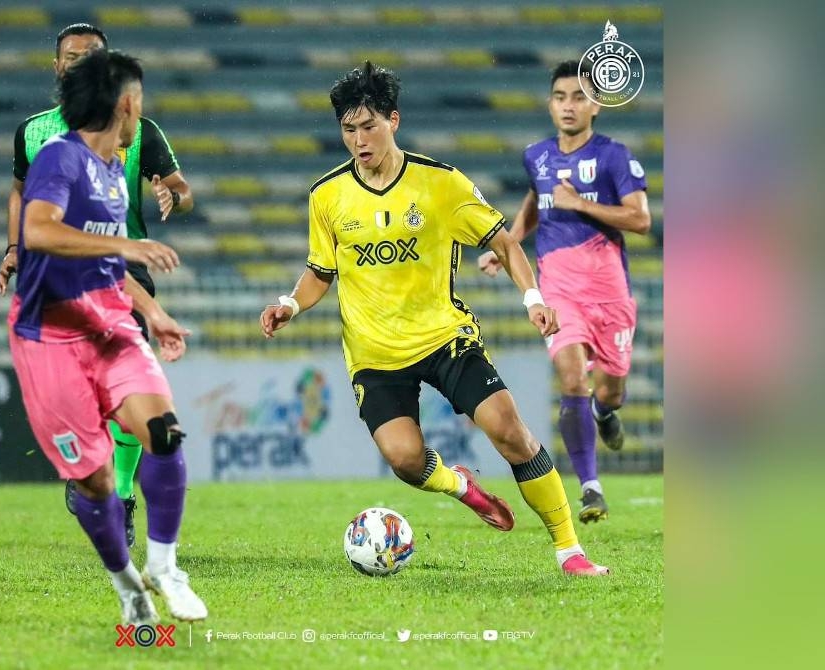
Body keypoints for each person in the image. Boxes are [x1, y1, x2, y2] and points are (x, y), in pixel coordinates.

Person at [260, 62, 609, 576]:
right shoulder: (327, 196)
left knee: (508, 430)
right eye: (349, 129)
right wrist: (289, 304)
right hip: (374, 354)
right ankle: (461, 485)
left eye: (369, 126)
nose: (359, 139)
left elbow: (504, 242)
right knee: (404, 459)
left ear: (394, 120)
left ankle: (570, 550)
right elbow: (319, 271)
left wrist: (532, 295)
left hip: (445, 338)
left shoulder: (440, 184)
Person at [9, 49, 207, 624]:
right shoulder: (59, 159)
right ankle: (128, 587)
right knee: (93, 483)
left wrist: (154, 311)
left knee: (164, 434)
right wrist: (125, 245)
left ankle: (165, 567)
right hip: (49, 338)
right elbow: (39, 230)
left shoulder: (113, 174)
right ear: (123, 103)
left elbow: (109, 266)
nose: (141, 112)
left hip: (110, 323)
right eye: (139, 100)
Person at [477, 61, 651, 523]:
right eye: (560, 97)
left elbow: (640, 220)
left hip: (610, 292)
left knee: (610, 389)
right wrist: (508, 245)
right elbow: (537, 201)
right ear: (550, 103)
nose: (568, 106)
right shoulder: (537, 155)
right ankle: (591, 487)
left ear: (596, 104)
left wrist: (581, 204)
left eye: (578, 97)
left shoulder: (615, 156)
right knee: (571, 377)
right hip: (557, 288)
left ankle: (604, 410)